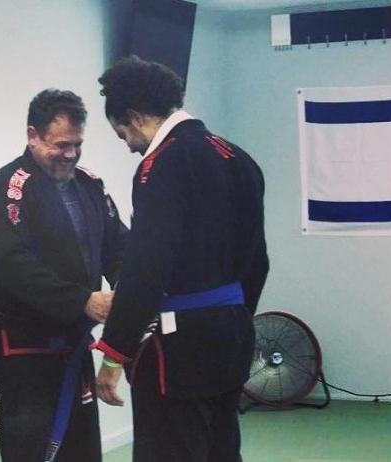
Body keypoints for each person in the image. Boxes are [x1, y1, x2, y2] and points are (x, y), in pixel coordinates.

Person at [93, 56, 269, 461]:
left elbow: (146, 267)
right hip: (233, 336)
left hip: (180, 350)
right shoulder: (238, 158)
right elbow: (258, 260)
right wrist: (234, 317)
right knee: (221, 450)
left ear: (136, 118)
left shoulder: (161, 165)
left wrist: (114, 353)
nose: (129, 146)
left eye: (123, 134)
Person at [0, 89, 129, 462]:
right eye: (61, 145)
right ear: (33, 135)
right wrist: (82, 301)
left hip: (74, 342)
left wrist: (126, 290)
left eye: (77, 144)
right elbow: (13, 265)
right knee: (33, 449)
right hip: (24, 349)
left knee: (81, 449)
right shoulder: (3, 190)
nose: (70, 154)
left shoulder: (90, 185)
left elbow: (119, 247)